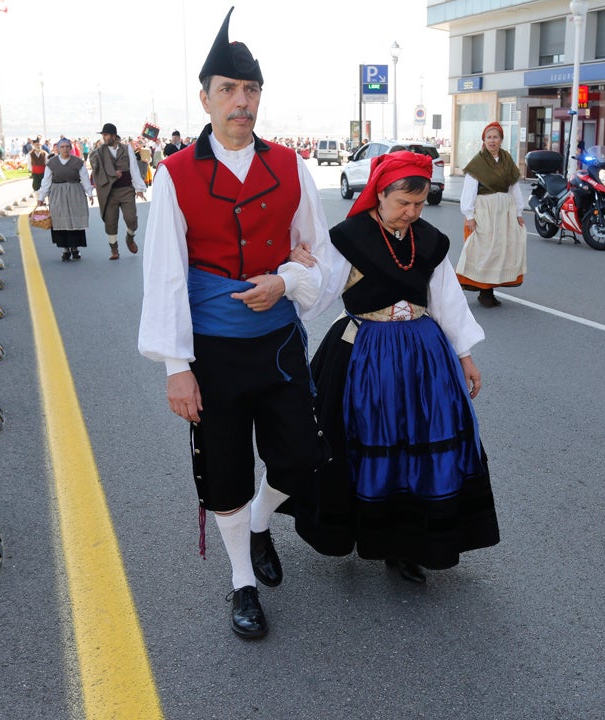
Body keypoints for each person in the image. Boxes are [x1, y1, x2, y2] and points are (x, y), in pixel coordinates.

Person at [138, 6, 332, 640]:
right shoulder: (173, 177)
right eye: (228, 91)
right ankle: (242, 580)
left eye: (250, 91)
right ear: (205, 99)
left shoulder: (292, 166)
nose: (241, 102)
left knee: (301, 458)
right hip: (212, 353)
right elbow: (165, 276)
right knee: (224, 471)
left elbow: (319, 256)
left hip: (277, 344)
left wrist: (288, 280)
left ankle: (260, 523)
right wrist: (175, 369)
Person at [288, 150, 500, 584]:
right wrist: (293, 269)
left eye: (419, 204)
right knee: (371, 444)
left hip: (424, 356)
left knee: (422, 446)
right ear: (380, 194)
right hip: (370, 357)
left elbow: (447, 302)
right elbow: (317, 296)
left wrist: (465, 356)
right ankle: (373, 536)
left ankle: (409, 546)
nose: (412, 213)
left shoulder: (430, 241)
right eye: (404, 202)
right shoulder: (349, 238)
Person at [455, 121, 527, 308]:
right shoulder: (478, 163)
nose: (492, 141)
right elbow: (469, 191)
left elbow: (514, 187)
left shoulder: (507, 160)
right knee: (485, 250)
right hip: (485, 210)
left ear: (501, 140)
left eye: (495, 137)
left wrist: (519, 211)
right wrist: (469, 215)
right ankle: (484, 292)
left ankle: (490, 290)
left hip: (504, 210)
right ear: (484, 140)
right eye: (489, 137)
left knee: (501, 250)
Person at [88, 122, 146, 260]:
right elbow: (95, 168)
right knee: (110, 221)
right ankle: (114, 250)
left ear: (114, 136)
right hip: (109, 192)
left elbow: (134, 168)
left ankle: (130, 237)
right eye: (103, 135)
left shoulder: (127, 149)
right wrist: (112, 174)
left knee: (131, 218)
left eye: (106, 135)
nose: (104, 137)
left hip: (126, 189)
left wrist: (139, 188)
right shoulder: (99, 152)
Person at [36, 138, 94, 262]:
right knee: (60, 220)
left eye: (67, 146)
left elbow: (84, 178)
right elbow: (46, 181)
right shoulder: (52, 163)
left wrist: (89, 193)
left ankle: (75, 248)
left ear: (70, 148)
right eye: (62, 147)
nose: (65, 149)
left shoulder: (77, 162)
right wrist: (41, 197)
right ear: (57, 148)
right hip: (57, 193)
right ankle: (65, 250)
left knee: (74, 219)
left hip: (75, 192)